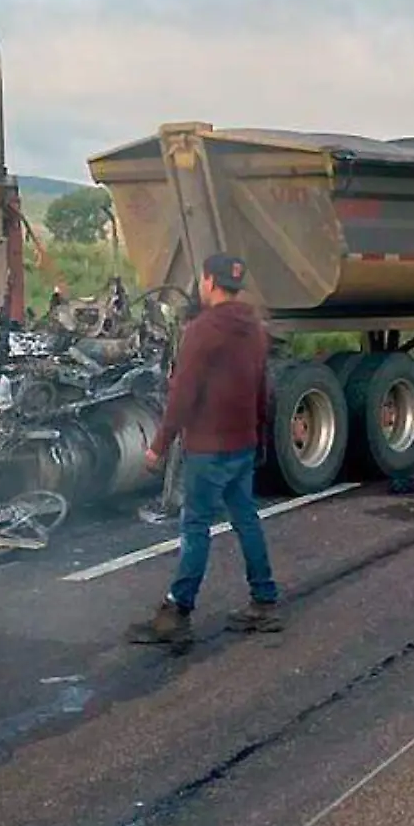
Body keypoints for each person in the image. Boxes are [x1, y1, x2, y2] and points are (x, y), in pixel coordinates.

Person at [127, 252, 282, 648]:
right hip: (242, 443)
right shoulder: (257, 329)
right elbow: (262, 388)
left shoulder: (201, 330)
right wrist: (260, 437)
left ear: (210, 282)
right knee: (245, 518)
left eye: (201, 279)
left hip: (209, 447)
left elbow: (182, 394)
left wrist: (158, 445)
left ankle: (177, 612)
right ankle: (264, 601)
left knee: (195, 526)